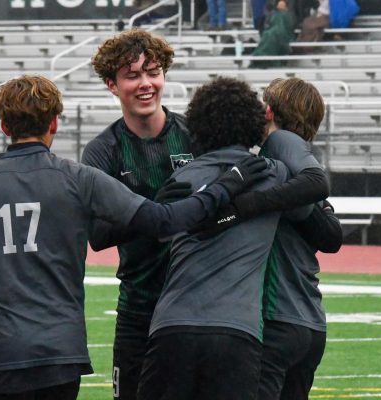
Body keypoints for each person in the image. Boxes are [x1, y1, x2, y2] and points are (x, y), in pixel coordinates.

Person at [0, 74, 268, 400]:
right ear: (55, 124)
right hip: (60, 353)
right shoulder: (78, 179)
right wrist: (227, 185)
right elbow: (167, 222)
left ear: (4, 126)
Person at [137, 77, 311, 400]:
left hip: (172, 325)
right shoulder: (273, 173)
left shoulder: (181, 176)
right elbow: (318, 223)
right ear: (253, 123)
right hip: (237, 331)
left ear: (199, 128)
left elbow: (155, 239)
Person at [82, 28, 194, 400]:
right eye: (133, 75)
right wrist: (161, 207)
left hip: (197, 304)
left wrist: (129, 208)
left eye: (154, 72)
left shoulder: (194, 135)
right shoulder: (102, 152)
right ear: (112, 85)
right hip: (138, 307)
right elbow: (97, 234)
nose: (146, 84)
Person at [257, 78, 343, 399]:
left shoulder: (281, 145)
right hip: (310, 322)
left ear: (269, 111)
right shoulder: (294, 165)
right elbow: (332, 236)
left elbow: (328, 226)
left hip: (277, 318)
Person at [250, 0, 295, 68]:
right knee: (267, 34)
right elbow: (267, 21)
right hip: (272, 30)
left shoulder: (288, 14)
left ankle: (264, 57)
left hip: (282, 32)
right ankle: (262, 56)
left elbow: (289, 25)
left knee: (273, 33)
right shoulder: (273, 12)